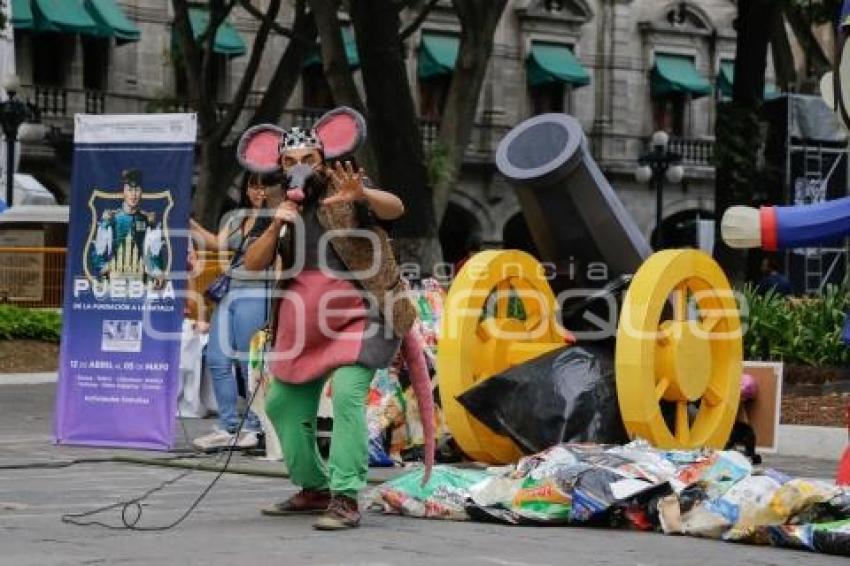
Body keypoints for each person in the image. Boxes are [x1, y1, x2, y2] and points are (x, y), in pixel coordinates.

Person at [242, 123, 433, 531]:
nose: (299, 168)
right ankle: (315, 487)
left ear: (322, 158)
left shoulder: (347, 184)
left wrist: (363, 195)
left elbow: (395, 208)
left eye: (307, 159)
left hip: (362, 315)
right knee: (281, 405)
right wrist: (277, 224)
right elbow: (252, 264)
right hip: (303, 327)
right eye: (290, 162)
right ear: (279, 165)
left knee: (347, 395)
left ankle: (345, 496)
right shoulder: (279, 203)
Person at [189, 172, 278, 451]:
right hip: (230, 291)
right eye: (253, 185)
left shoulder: (278, 219)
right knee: (216, 358)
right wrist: (188, 222)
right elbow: (218, 243)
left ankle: (252, 425)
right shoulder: (236, 216)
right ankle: (228, 425)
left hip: (258, 292)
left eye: (264, 186)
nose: (258, 191)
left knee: (245, 362)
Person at [89, 168, 164, 282]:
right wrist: (107, 268)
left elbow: (155, 255)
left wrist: (156, 272)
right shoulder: (112, 218)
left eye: (137, 190)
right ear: (123, 192)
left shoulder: (147, 220)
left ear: (141, 192)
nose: (133, 194)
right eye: (129, 190)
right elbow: (98, 252)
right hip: (115, 279)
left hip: (139, 279)